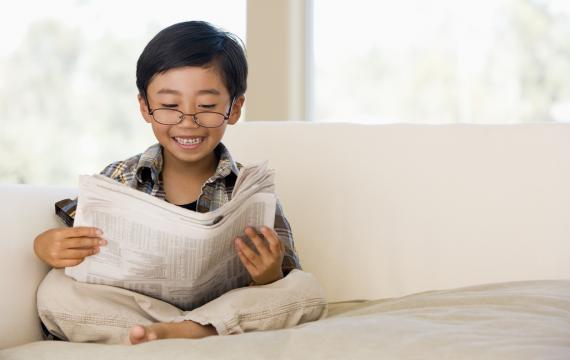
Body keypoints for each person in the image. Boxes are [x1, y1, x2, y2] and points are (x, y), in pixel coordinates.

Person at [33, 20, 327, 345]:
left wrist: (268, 276)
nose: (188, 122)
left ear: (234, 108)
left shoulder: (250, 191)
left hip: (223, 308)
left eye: (207, 106)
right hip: (140, 310)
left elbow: (284, 279)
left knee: (305, 290)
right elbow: (79, 242)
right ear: (145, 107)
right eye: (170, 106)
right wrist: (47, 246)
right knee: (55, 291)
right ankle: (178, 331)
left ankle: (185, 331)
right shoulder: (119, 178)